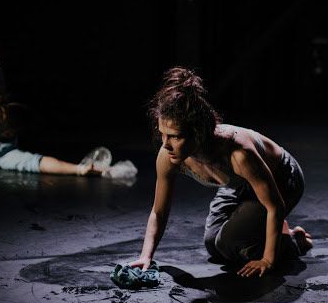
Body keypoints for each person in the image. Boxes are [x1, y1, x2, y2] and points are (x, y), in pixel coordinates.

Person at [130, 67, 312, 278]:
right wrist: (146, 256)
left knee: (229, 244)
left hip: (282, 179)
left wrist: (267, 260)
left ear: (198, 133)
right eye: (162, 134)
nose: (166, 144)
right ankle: (269, 231)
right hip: (238, 185)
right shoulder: (168, 156)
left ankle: (293, 240)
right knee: (213, 244)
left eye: (175, 137)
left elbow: (275, 205)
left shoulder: (238, 154)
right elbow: (159, 212)